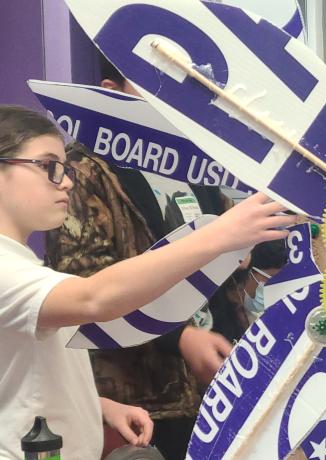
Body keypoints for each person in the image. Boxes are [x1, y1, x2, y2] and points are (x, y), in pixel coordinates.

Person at [0, 105, 294, 459]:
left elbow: (19, 373)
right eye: (48, 166)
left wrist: (98, 406)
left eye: (63, 168)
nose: (65, 181)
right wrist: (219, 235)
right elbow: (96, 297)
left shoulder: (21, 263)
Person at [44, 59, 236, 459]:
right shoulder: (81, 174)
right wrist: (179, 336)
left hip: (220, 384)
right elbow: (86, 286)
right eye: (155, 90)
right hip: (145, 400)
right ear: (113, 93)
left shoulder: (194, 166)